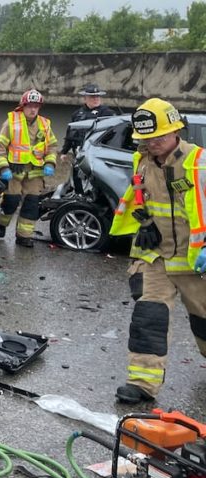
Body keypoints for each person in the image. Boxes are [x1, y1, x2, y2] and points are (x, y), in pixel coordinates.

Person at [109, 98, 206, 404]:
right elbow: (141, 199)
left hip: (195, 261)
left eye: (158, 138)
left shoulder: (198, 162)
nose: (151, 143)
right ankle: (142, 383)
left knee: (203, 321)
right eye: (146, 139)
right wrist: (145, 223)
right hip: (156, 257)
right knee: (148, 316)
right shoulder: (142, 162)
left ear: (177, 131)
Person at [0, 89, 59, 248]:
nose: (33, 109)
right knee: (11, 201)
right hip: (14, 172)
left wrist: (50, 163)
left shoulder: (44, 124)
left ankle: (24, 236)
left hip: (35, 173)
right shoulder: (11, 122)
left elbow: (52, 147)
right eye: (29, 105)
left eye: (36, 106)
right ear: (23, 106)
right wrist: (3, 168)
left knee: (31, 204)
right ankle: (2, 223)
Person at [60, 83, 118, 156]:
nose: (96, 99)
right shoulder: (77, 114)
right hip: (79, 153)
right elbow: (71, 135)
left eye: (97, 96)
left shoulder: (107, 113)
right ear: (85, 98)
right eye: (92, 97)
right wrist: (64, 152)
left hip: (97, 153)